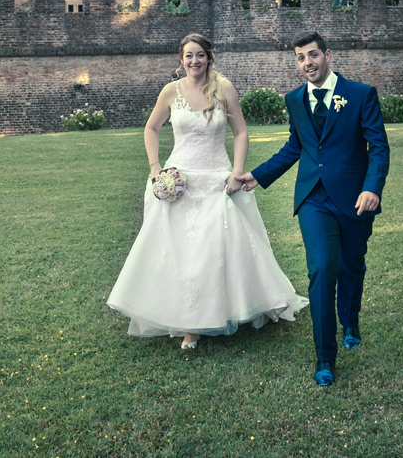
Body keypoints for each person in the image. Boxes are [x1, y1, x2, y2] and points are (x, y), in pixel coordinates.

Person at [107, 33, 305, 350]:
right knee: (181, 252)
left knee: (212, 250)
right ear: (181, 60)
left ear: (208, 57)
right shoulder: (170, 92)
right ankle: (186, 318)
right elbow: (151, 128)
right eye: (189, 56)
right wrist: (156, 168)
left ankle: (206, 320)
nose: (194, 61)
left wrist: (237, 173)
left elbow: (240, 132)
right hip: (180, 181)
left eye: (200, 55)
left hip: (217, 180)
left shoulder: (223, 88)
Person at [235, 32, 390, 386]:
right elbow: (295, 146)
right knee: (322, 269)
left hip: (354, 198)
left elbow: (379, 148)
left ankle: (350, 320)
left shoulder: (360, 95)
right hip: (312, 199)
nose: (308, 63)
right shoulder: (294, 99)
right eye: (301, 58)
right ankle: (324, 358)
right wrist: (258, 176)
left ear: (328, 55)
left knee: (352, 265)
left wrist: (372, 188)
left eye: (313, 55)